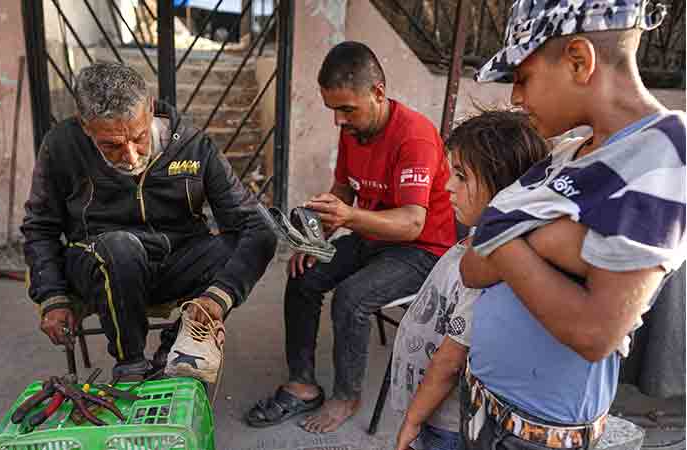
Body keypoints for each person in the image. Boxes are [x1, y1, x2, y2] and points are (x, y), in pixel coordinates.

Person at [458, 1, 687, 449]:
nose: (515, 98)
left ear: (579, 61)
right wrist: (550, 240)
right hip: (482, 402)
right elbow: (470, 265)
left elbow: (593, 333)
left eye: (522, 78)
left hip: (538, 435)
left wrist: (508, 232)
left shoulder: (666, 153)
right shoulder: (570, 150)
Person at [247, 41, 457, 432]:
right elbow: (344, 189)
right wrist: (318, 236)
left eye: (347, 109)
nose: (338, 121)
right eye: (333, 110)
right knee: (302, 275)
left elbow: (412, 222)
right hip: (372, 234)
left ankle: (347, 396)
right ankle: (303, 384)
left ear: (378, 92)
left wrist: (349, 216)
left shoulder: (415, 138)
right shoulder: (354, 132)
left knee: (352, 297)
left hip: (422, 250)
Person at [21, 62, 277, 381]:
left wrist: (217, 297)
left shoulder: (194, 145)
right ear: (85, 126)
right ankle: (131, 364)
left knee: (257, 232)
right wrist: (51, 296)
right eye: (111, 145)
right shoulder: (61, 146)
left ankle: (174, 346)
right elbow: (40, 227)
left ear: (151, 108)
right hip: (101, 263)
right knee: (120, 248)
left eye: (139, 137)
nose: (130, 156)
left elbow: (252, 224)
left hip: (174, 261)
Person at [391, 110, 549, 450]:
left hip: (444, 422)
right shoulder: (478, 241)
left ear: (503, 188)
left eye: (461, 176)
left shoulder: (492, 272)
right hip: (430, 408)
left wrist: (413, 420)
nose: (448, 185)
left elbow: (450, 363)